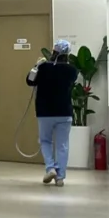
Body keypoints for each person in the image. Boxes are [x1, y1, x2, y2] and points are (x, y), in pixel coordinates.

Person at [27, 40, 79, 186]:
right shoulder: (72, 70)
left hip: (45, 113)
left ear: (53, 52)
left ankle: (50, 168)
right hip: (64, 112)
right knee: (62, 145)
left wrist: (36, 66)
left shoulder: (43, 68)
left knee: (45, 141)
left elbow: (30, 81)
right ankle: (60, 177)